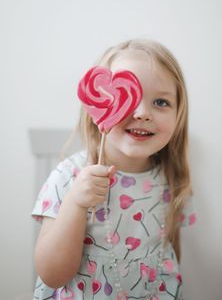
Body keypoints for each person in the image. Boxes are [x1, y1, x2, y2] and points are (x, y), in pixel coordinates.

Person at [32, 39, 196, 300]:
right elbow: (52, 274)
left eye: (161, 102)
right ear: (97, 107)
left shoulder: (173, 180)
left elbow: (167, 255)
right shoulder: (69, 176)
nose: (142, 112)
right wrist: (76, 202)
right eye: (128, 97)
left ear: (179, 115)